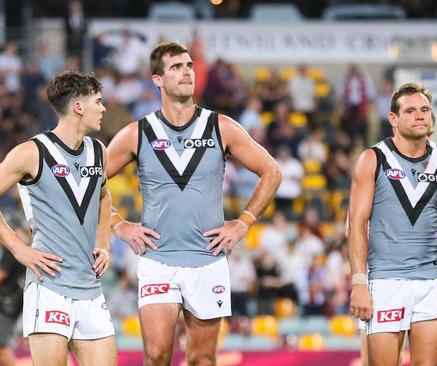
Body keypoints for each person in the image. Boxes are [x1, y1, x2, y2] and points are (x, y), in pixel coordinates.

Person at [106, 42, 281, 366]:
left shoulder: (221, 126)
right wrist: (118, 224)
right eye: (176, 67)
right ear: (156, 79)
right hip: (158, 259)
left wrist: (244, 220)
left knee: (202, 358)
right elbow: (91, 182)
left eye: (189, 65)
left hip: (207, 259)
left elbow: (271, 171)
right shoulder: (137, 132)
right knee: (157, 355)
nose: (187, 71)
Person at [0, 71, 115, 366]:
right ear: (78, 107)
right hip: (49, 287)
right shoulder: (31, 152)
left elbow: (104, 197)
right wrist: (19, 249)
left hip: (90, 288)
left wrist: (103, 240)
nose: (103, 108)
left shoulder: (98, 151)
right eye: (98, 102)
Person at [348, 82, 437, 365]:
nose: (420, 116)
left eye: (425, 109)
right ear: (393, 119)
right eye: (410, 111)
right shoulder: (372, 160)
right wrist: (359, 282)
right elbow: (356, 224)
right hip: (385, 281)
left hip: (431, 282)